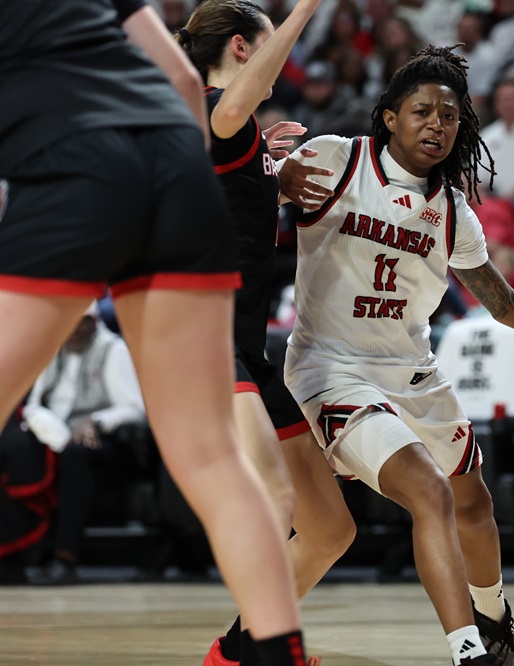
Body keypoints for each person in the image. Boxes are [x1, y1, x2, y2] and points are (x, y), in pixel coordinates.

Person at [283, 45, 514, 666]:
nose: (437, 124)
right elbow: (231, 195)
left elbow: (506, 304)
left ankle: (494, 624)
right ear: (389, 117)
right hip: (332, 369)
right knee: (428, 492)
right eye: (422, 111)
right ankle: (469, 655)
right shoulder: (333, 160)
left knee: (473, 501)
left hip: (412, 373)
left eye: (450, 115)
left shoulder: (454, 214)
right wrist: (270, 180)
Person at [0, 0, 308, 663]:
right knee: (214, 460)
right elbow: (182, 84)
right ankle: (277, 654)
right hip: (179, 170)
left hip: (73, 168)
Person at [172, 3, 358, 665]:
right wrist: (304, 7)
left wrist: (271, 181)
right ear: (245, 47)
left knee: (331, 529)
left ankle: (237, 650)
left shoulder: (234, 129)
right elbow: (228, 112)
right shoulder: (211, 103)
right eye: (271, 42)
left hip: (245, 344)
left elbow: (225, 197)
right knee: (273, 497)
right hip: (200, 337)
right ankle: (279, 649)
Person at [19, 308, 147, 585]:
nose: (74, 332)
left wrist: (95, 421)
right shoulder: (54, 349)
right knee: (19, 448)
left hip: (109, 441)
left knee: (76, 454)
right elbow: (35, 403)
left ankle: (65, 557)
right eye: (69, 324)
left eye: (81, 324)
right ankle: (19, 553)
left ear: (94, 322)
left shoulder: (114, 349)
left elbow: (135, 409)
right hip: (60, 433)